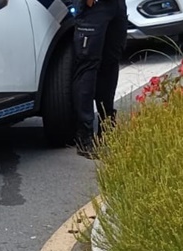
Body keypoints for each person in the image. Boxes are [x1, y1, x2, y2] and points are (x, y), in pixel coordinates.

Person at [71, 0, 126, 158]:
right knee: (87, 67)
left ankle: (107, 128)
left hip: (116, 5)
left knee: (110, 63)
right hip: (93, 7)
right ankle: (84, 135)